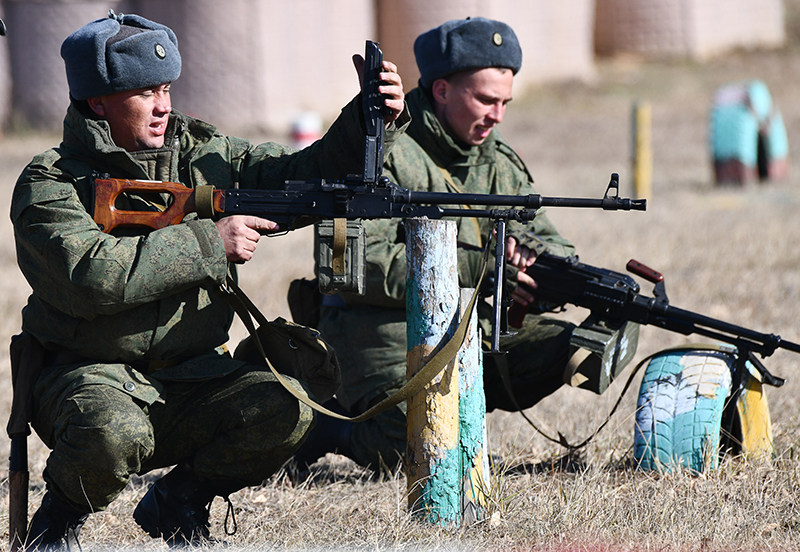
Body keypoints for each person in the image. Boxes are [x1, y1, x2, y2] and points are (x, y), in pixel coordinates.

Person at [10, 10, 407, 550]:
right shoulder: (51, 182)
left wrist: (366, 120)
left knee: (288, 406)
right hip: (87, 377)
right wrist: (208, 243)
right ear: (97, 101)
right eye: (145, 92)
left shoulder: (205, 155)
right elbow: (89, 276)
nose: (163, 105)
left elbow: (296, 177)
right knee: (112, 433)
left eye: (167, 87)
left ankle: (180, 502)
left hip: (191, 378)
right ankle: (56, 520)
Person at [293, 17, 577, 472]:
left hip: (467, 329)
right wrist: (481, 267)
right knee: (416, 440)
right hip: (379, 333)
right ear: (442, 90)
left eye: (505, 102)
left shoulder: (495, 160)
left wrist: (542, 265)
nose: (498, 115)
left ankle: (460, 414)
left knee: (581, 343)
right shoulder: (373, 151)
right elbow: (348, 267)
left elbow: (545, 235)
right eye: (486, 99)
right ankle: (328, 427)